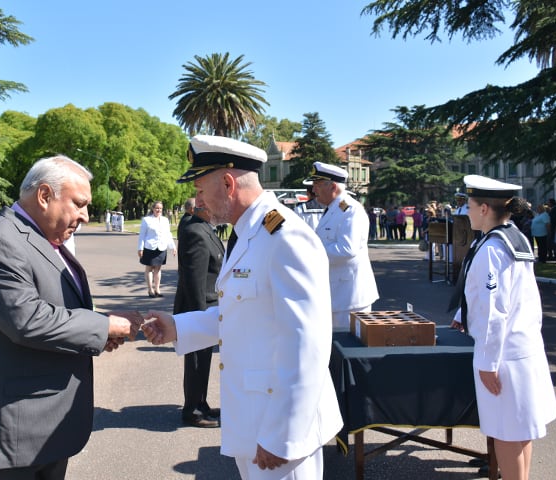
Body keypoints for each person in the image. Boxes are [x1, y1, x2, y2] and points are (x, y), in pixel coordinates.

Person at [142, 135, 342, 480]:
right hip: (254, 421)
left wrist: (283, 436)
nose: (198, 199)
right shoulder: (251, 231)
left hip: (278, 430)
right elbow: (241, 313)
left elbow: (306, 344)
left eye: (201, 188)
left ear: (228, 182)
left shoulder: (284, 236)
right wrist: (179, 327)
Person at [0, 155, 144, 479]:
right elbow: (28, 320)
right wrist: (104, 325)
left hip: (38, 432)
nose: (86, 216)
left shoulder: (43, 240)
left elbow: (55, 312)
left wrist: (97, 333)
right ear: (44, 195)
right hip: (4, 436)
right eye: (79, 204)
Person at [449, 175, 556, 480]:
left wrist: (487, 363)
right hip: (523, 346)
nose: (465, 211)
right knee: (520, 430)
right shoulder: (510, 236)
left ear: (484, 208)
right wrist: (464, 311)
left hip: (504, 356)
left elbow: (494, 311)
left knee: (507, 434)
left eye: (469, 205)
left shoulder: (491, 249)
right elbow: (506, 293)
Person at [307, 161, 379, 331]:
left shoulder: (351, 210)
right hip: (338, 293)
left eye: (317, 185)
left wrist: (309, 253)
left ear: (332, 187)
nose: (313, 190)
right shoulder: (334, 209)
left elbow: (347, 250)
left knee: (349, 349)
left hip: (349, 297)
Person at [174, 197, 224, 428]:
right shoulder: (196, 231)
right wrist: (198, 320)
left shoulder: (205, 228)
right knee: (196, 364)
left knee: (202, 364)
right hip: (198, 309)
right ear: (202, 209)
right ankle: (193, 410)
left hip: (206, 308)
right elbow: (195, 281)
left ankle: (201, 403)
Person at [137, 201, 176, 297]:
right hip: (150, 247)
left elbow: (168, 234)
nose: (158, 210)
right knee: (149, 268)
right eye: (157, 208)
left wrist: (173, 246)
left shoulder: (165, 220)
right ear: (153, 209)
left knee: (158, 269)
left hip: (161, 247)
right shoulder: (146, 220)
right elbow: (142, 235)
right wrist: (140, 248)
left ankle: (157, 289)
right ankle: (150, 290)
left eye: (160, 208)